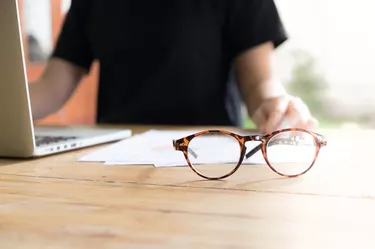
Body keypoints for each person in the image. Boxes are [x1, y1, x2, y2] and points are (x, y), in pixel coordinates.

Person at [29, 0, 318, 133]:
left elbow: (260, 84)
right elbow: (52, 86)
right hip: (114, 157)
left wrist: (275, 104)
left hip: (209, 157)